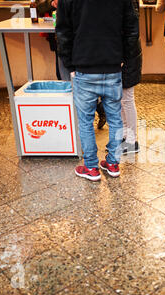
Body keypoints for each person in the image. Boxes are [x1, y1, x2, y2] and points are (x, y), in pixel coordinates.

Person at [56, 0, 139, 180]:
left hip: (83, 67)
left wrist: (69, 64)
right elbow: (131, 29)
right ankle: (113, 163)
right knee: (116, 119)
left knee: (85, 121)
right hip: (113, 66)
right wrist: (124, 57)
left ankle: (91, 167)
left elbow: (62, 32)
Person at [43, 0, 106, 129]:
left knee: (82, 81)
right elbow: (37, 6)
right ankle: (82, 117)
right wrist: (51, 3)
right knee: (65, 79)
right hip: (62, 40)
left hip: (82, 41)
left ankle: (86, 118)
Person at [120, 0, 142, 154]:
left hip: (128, 56)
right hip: (126, 55)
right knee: (121, 99)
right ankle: (124, 136)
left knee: (127, 98)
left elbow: (131, 33)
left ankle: (131, 141)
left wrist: (123, 57)